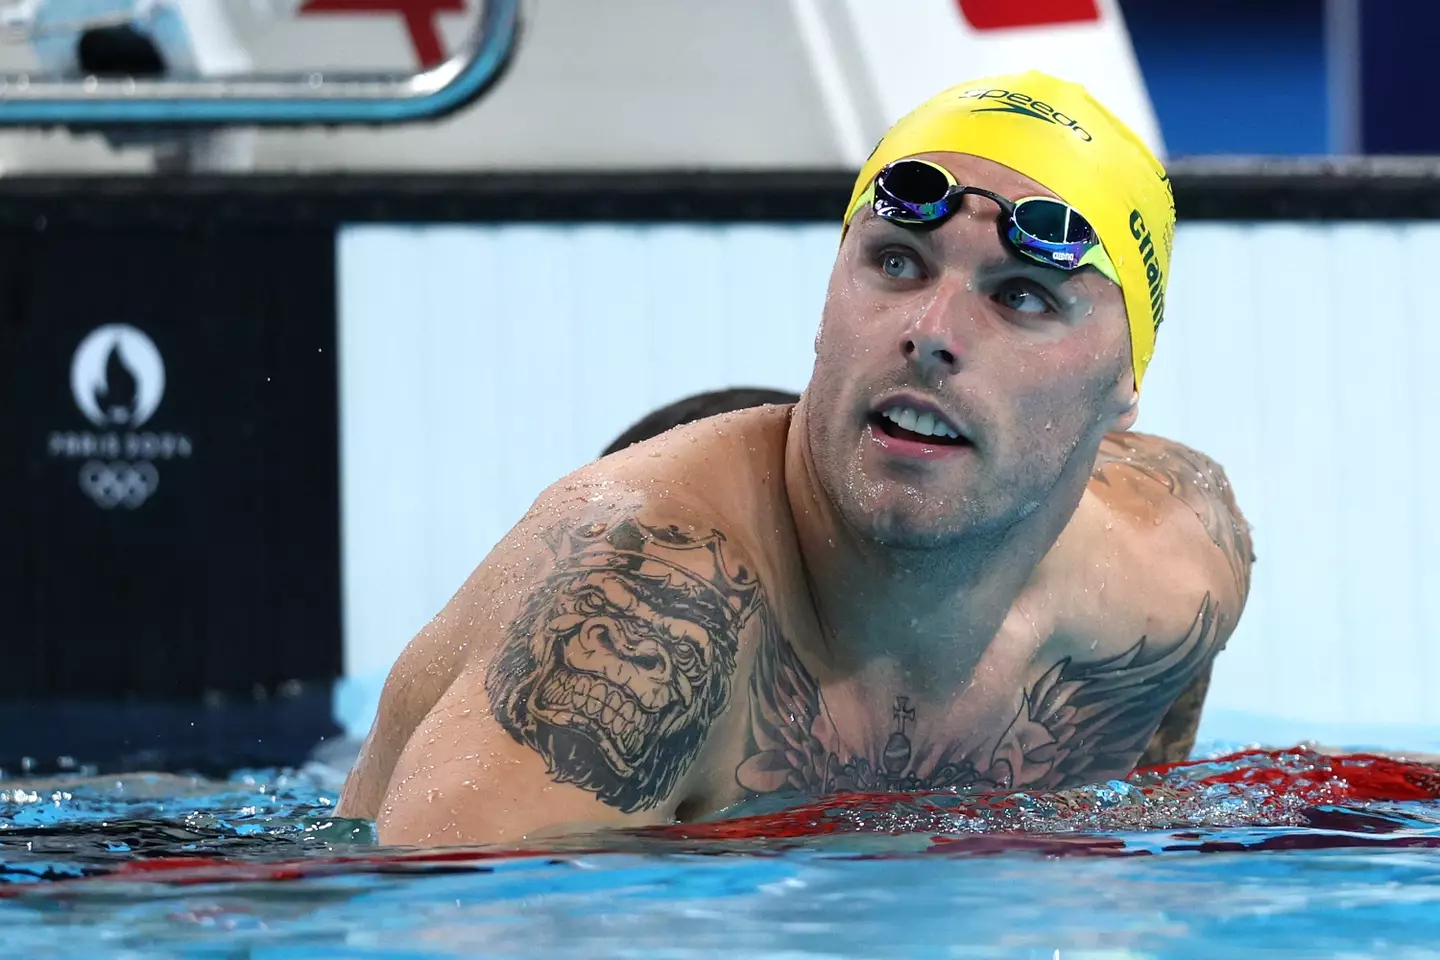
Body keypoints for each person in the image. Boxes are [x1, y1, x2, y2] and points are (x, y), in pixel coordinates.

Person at [338, 70, 1254, 845]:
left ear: (1124, 389)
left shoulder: (1178, 561)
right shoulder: (635, 624)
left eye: (1020, 296)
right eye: (896, 263)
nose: (931, 334)